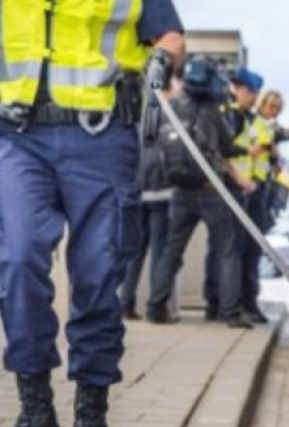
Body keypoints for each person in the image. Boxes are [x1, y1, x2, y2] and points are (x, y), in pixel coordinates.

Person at [0, 0, 184, 427]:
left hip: (102, 138)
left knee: (98, 275)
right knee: (20, 261)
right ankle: (34, 408)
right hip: (17, 135)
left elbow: (170, 36)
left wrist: (163, 61)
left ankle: (91, 413)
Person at [146, 56, 256, 330]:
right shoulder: (212, 110)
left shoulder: (172, 106)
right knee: (227, 249)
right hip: (210, 190)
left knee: (172, 251)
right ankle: (230, 313)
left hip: (181, 191)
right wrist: (245, 151)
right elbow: (228, 146)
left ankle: (155, 306)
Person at [203, 67, 265, 322]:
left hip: (246, 190)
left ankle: (238, 302)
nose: (250, 96)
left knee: (239, 249)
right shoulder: (226, 115)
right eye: (246, 90)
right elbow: (222, 152)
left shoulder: (247, 118)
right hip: (230, 189)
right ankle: (222, 304)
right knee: (228, 249)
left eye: (252, 91)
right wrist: (241, 179)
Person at [119, 78, 180, 320]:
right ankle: (157, 307)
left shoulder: (139, 108)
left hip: (138, 190)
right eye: (175, 84)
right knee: (160, 251)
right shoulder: (160, 111)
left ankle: (125, 302)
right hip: (159, 192)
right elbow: (155, 151)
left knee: (135, 251)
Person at [242, 89, 289, 324]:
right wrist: (273, 142)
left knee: (255, 249)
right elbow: (259, 147)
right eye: (270, 107)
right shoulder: (254, 123)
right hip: (252, 189)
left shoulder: (267, 125)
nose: (272, 112)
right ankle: (247, 303)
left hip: (262, 189)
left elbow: (274, 155)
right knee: (250, 249)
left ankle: (249, 302)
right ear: (262, 104)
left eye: (276, 109)